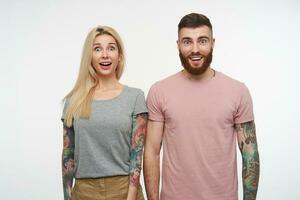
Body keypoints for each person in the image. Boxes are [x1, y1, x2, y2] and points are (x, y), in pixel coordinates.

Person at [144, 13, 260, 200]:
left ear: (213, 43)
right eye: (187, 42)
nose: (195, 49)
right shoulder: (159, 91)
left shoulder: (237, 91)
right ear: (178, 45)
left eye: (203, 41)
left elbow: (250, 153)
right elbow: (151, 151)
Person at [61, 26, 148, 200]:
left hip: (124, 189)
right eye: (97, 49)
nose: (105, 55)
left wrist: (131, 196)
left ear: (119, 56)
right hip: (84, 192)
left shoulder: (135, 97)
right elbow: (67, 155)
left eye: (111, 48)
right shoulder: (74, 101)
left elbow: (136, 154)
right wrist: (67, 196)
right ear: (89, 57)